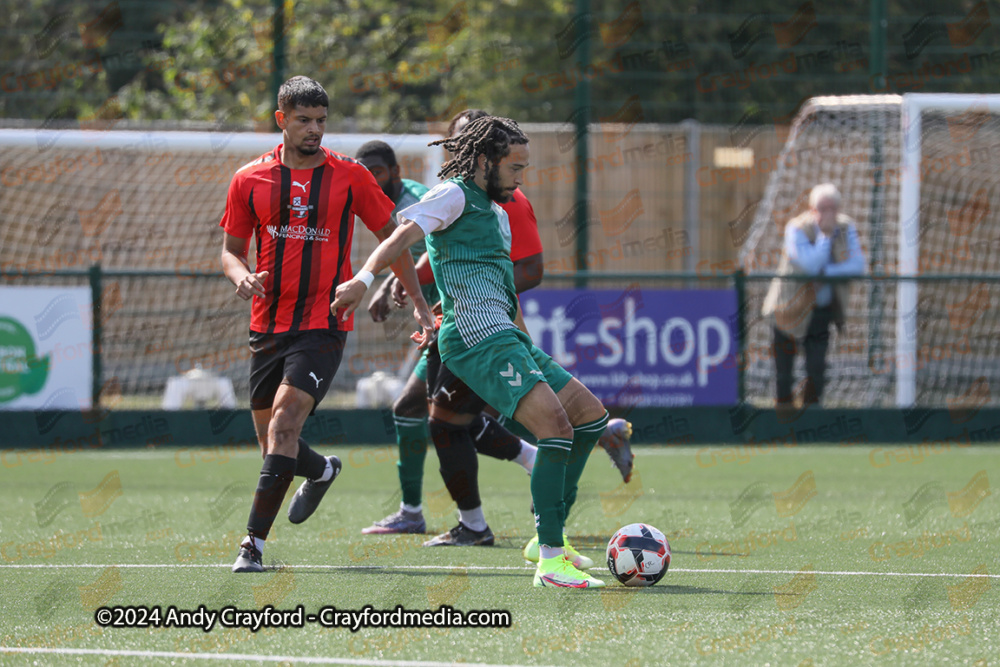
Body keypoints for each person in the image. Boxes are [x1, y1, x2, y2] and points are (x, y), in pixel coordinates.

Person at [333, 116, 610, 588]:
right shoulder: (452, 193)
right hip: (474, 339)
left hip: (505, 335)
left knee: (591, 417)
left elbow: (503, 291)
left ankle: (550, 538)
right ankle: (550, 560)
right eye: (515, 167)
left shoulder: (499, 213)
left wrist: (525, 343)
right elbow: (399, 238)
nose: (521, 178)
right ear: (485, 161)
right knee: (554, 429)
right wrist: (364, 280)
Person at [219, 76, 433, 573]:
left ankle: (252, 544)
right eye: (303, 121)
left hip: (324, 322)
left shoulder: (351, 176)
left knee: (285, 423)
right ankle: (322, 470)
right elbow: (231, 252)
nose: (314, 129)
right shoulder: (248, 178)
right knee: (273, 441)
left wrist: (419, 304)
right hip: (267, 325)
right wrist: (243, 276)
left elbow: (394, 237)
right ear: (281, 120)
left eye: (321, 121)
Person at [762, 183, 866, 407]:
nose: (827, 213)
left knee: (816, 369)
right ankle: (781, 418)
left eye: (832, 208)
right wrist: (825, 237)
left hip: (821, 311)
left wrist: (827, 273)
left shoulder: (847, 228)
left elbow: (857, 265)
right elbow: (809, 265)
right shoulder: (796, 228)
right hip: (788, 309)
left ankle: (811, 419)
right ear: (811, 209)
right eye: (822, 208)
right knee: (783, 371)